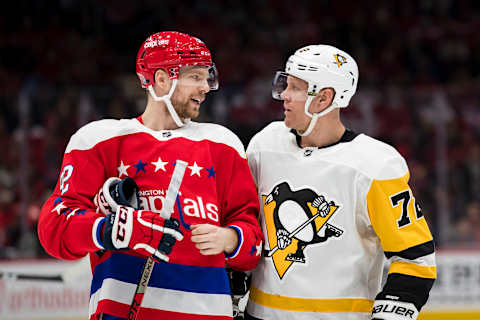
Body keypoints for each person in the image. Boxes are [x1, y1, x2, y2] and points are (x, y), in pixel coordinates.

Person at [38, 31, 263, 320]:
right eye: (195, 76)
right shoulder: (100, 140)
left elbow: (253, 242)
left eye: (208, 77)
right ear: (161, 80)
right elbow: (54, 230)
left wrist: (231, 239)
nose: (206, 87)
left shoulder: (223, 144)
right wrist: (111, 230)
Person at [244, 45, 436, 320]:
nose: (284, 95)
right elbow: (244, 223)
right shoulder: (265, 145)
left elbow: (415, 258)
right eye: (285, 85)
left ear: (323, 98)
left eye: (295, 88)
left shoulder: (375, 165)